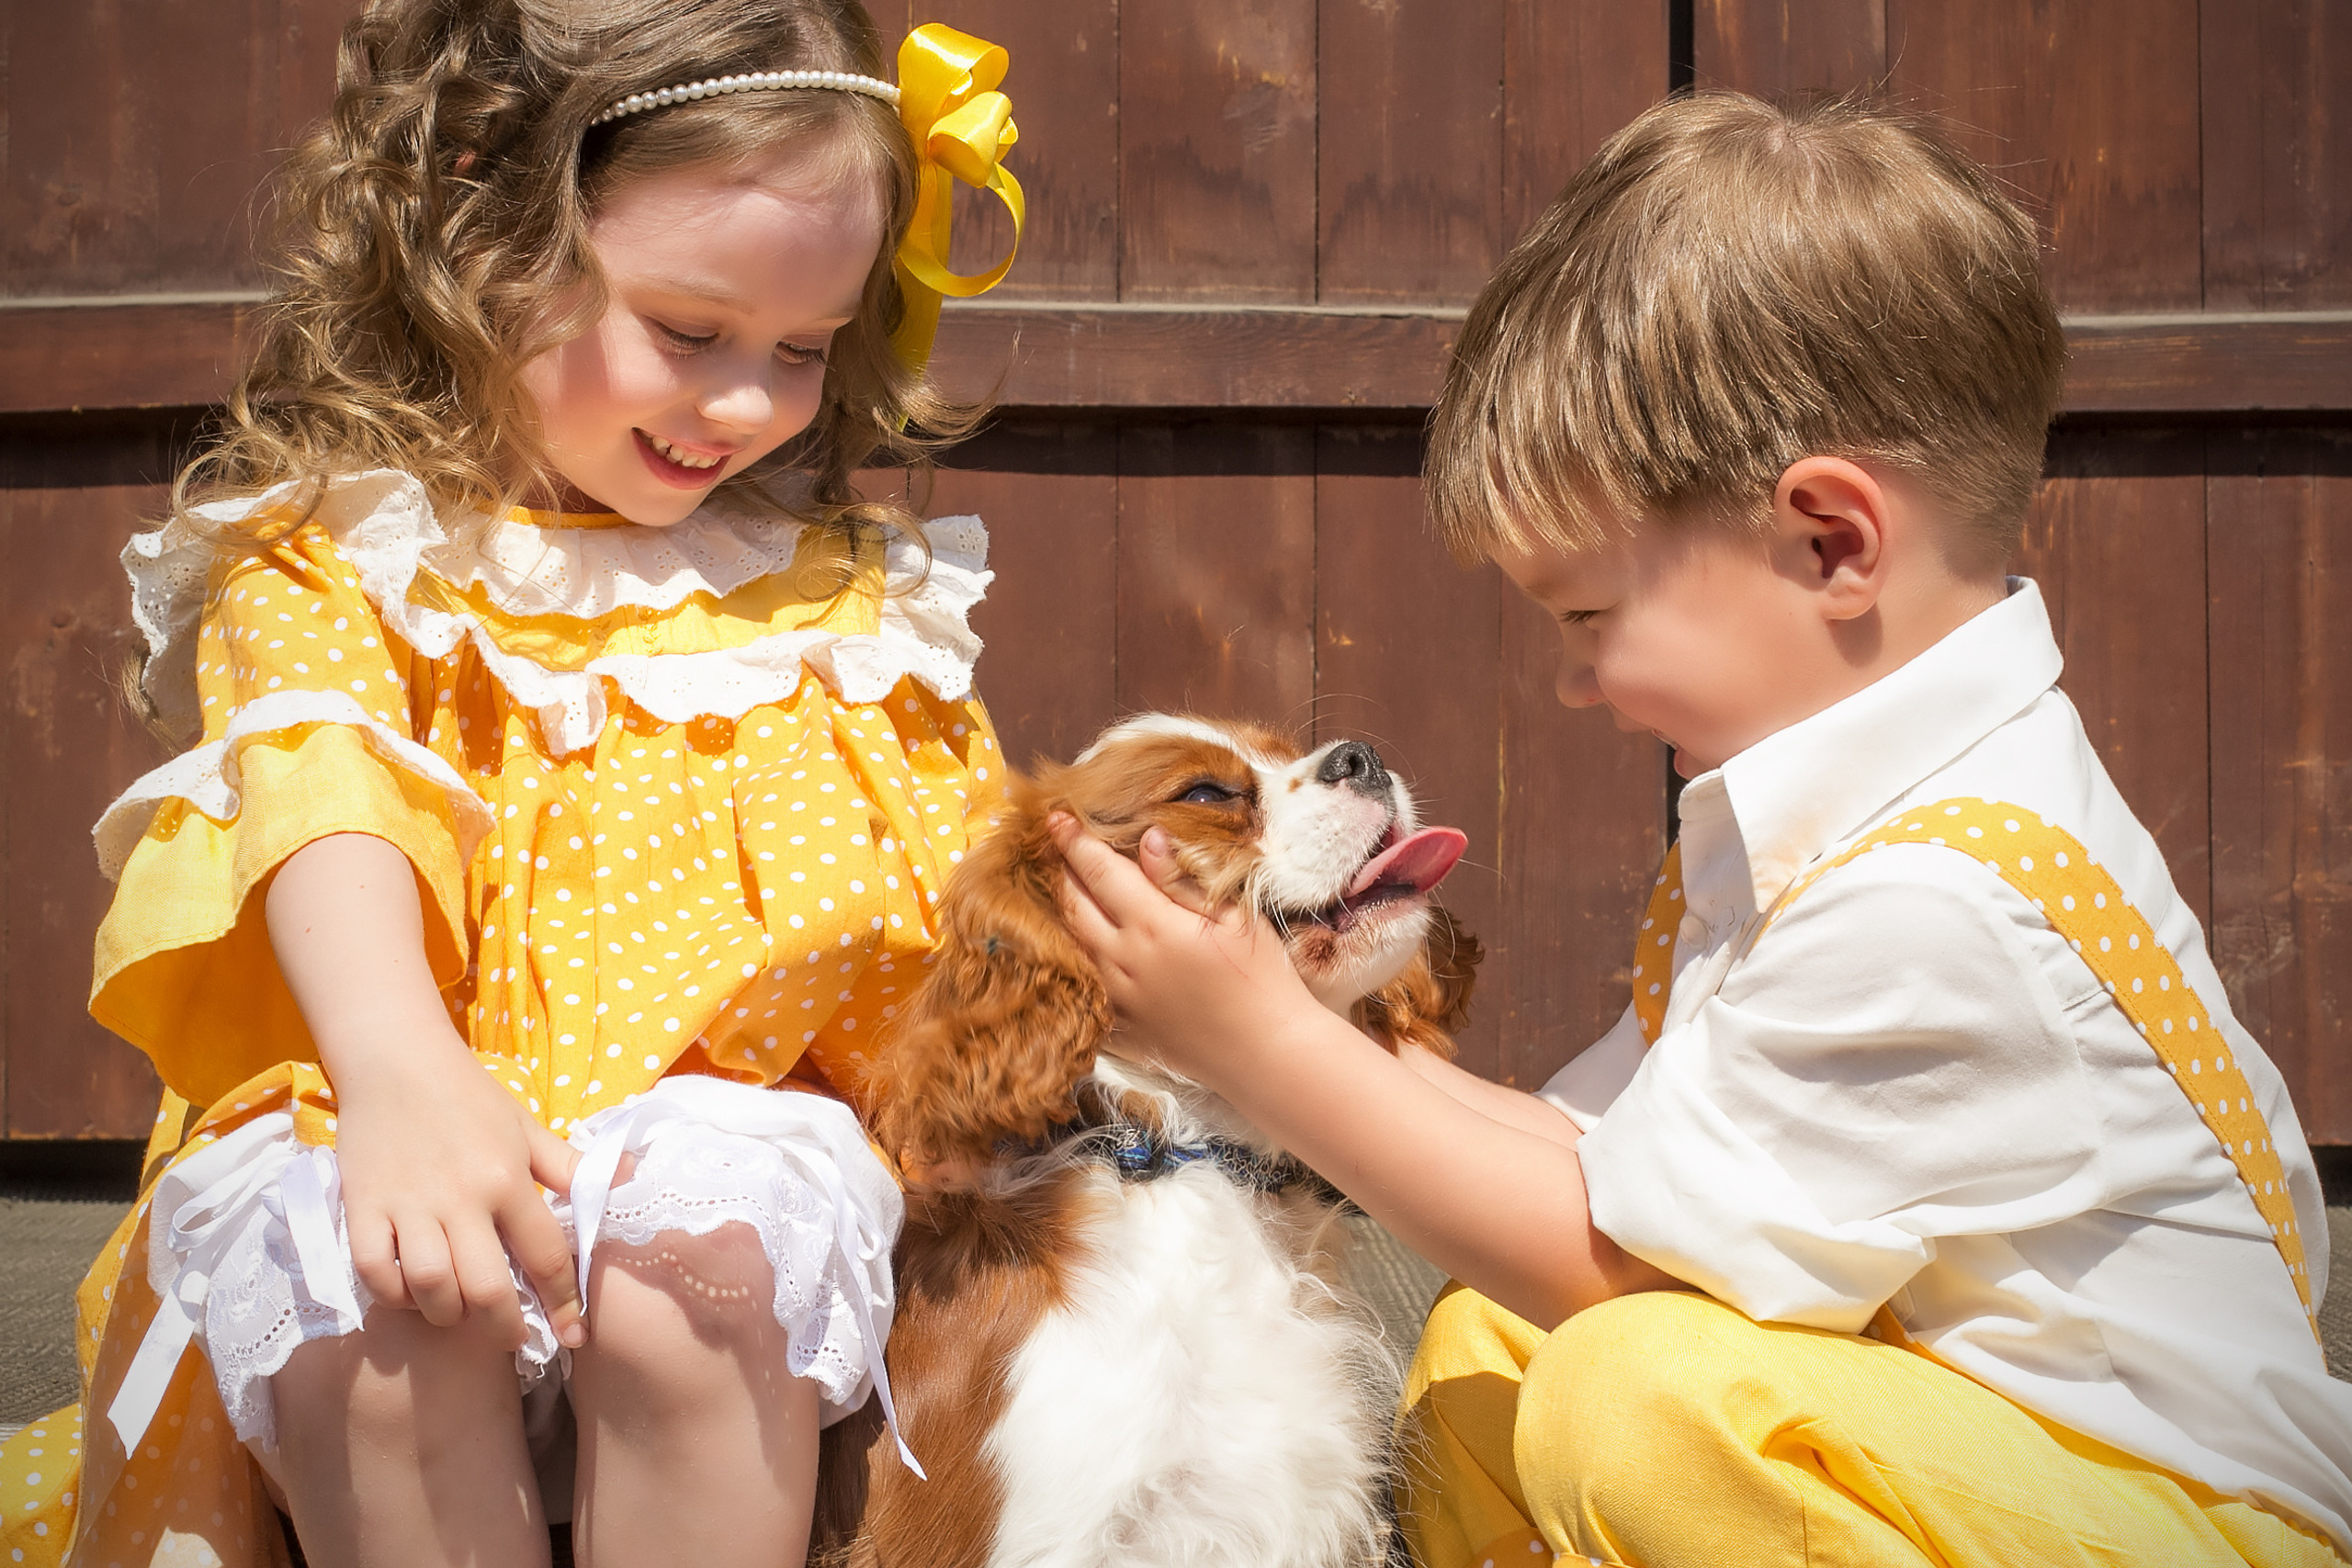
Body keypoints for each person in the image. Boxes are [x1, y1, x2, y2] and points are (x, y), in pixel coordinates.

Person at [1049, 92, 2352, 1568]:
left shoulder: (1933, 901)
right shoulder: (1865, 810)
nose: (1573, 677)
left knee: (1635, 1395)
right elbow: (1594, 1157)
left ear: (1831, 543)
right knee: (1482, 1344)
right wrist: (1283, 1003)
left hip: (2169, 1528)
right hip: (1975, 1459)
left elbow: (1606, 1258)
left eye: (1590, 616)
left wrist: (1258, 1046)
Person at [0, 4, 1023, 1565]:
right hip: (387, 1098)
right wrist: (400, 1071)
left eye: (804, 350)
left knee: (706, 1267)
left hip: (723, 1173)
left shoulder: (839, 602)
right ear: (486, 232)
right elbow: (327, 797)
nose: (746, 403)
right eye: (689, 331)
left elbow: (970, 900)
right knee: (372, 1301)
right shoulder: (339, 557)